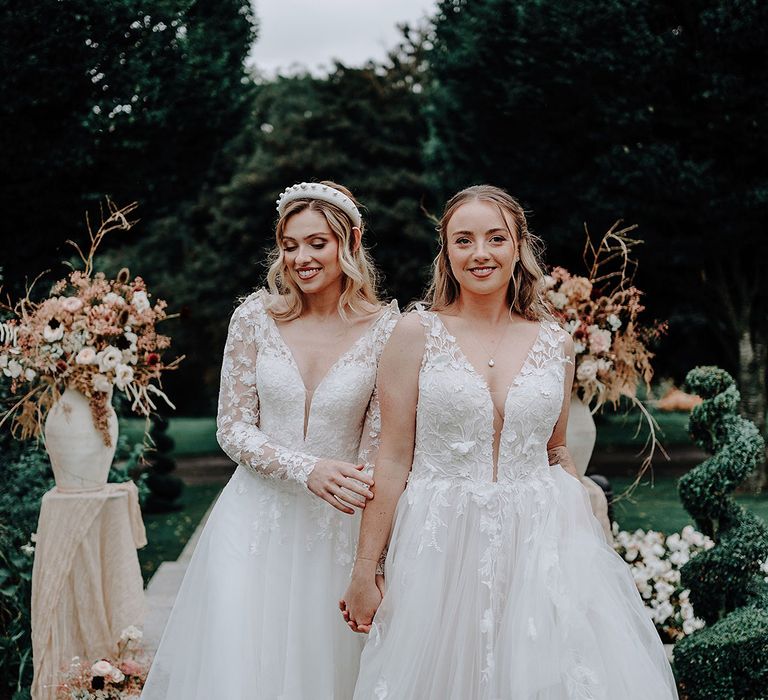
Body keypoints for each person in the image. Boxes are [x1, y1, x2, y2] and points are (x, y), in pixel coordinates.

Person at [342, 185, 678, 699]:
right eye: (464, 240)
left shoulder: (555, 342)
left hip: (539, 540)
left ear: (519, 246)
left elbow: (556, 450)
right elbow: (392, 457)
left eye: (496, 238)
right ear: (446, 251)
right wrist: (366, 568)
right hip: (440, 542)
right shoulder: (414, 334)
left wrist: (588, 523)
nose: (480, 253)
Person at [141, 181, 399, 700]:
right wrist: (306, 468)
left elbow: (379, 453)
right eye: (289, 245)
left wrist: (374, 560)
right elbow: (232, 429)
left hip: (337, 528)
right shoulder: (254, 319)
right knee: (240, 668)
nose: (301, 258)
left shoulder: (386, 329)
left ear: (349, 242)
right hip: (253, 522)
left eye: (316, 243)